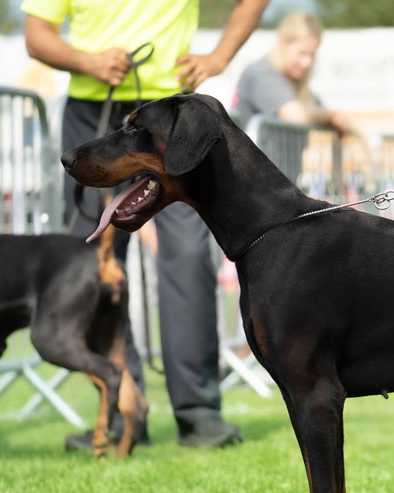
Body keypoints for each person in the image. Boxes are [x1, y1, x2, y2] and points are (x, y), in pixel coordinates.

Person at [22, 0, 270, 450]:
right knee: (93, 266)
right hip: (91, 109)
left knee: (189, 258)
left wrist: (219, 57)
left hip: (171, 115)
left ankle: (199, 414)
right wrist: (87, 61)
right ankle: (121, 413)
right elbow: (36, 36)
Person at [231, 12, 349, 133]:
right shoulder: (261, 74)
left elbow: (317, 110)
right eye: (302, 53)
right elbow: (296, 115)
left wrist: (335, 118)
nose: (307, 63)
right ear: (282, 43)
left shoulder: (293, 80)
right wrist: (331, 115)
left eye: (312, 55)